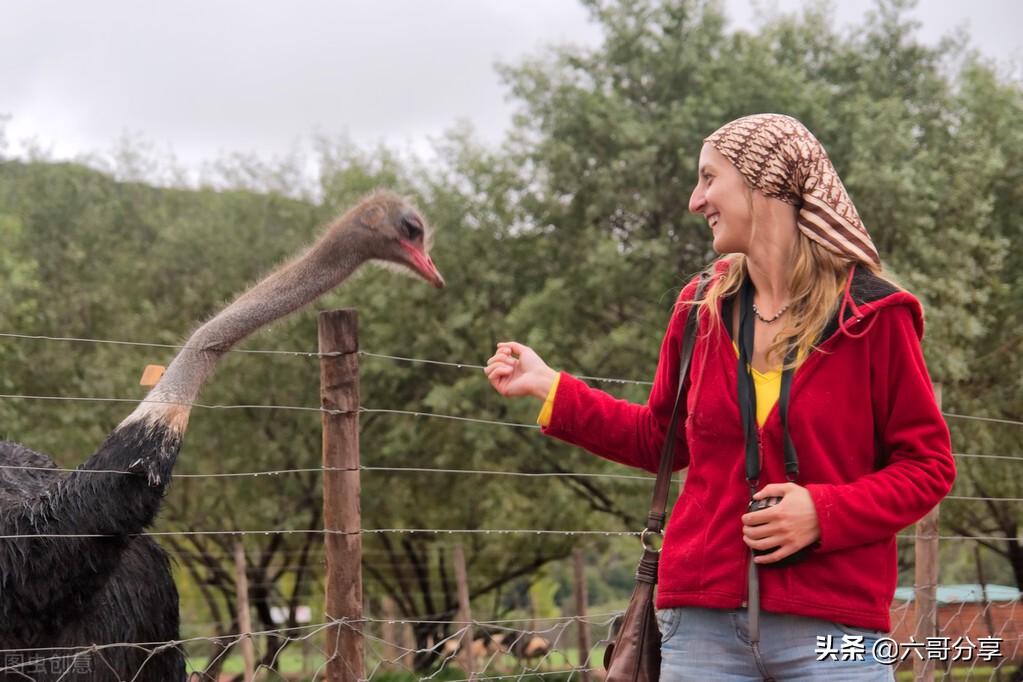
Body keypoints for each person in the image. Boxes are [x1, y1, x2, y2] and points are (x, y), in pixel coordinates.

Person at [484, 113, 955, 681]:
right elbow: (659, 440)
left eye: (709, 178)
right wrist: (551, 387)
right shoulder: (698, 307)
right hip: (699, 625)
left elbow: (928, 467)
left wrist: (823, 513)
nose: (694, 199)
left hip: (838, 628)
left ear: (765, 182)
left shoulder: (874, 317)